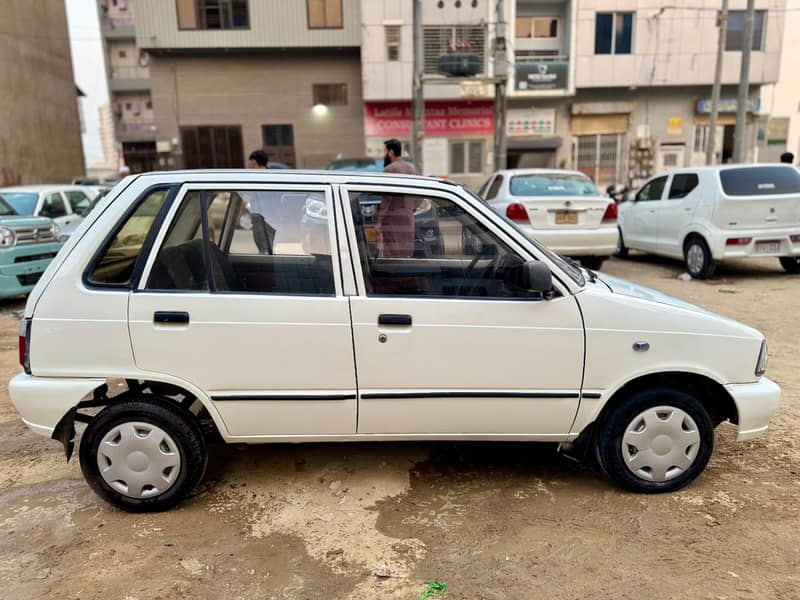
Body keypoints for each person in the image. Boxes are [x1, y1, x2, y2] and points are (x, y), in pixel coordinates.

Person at [376, 139, 418, 257]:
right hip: (408, 219)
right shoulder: (412, 170)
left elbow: (387, 199)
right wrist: (411, 209)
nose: (384, 154)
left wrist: (379, 222)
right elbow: (419, 196)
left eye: (385, 151)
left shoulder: (389, 170)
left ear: (391, 152)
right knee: (406, 253)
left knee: (392, 255)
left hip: (393, 219)